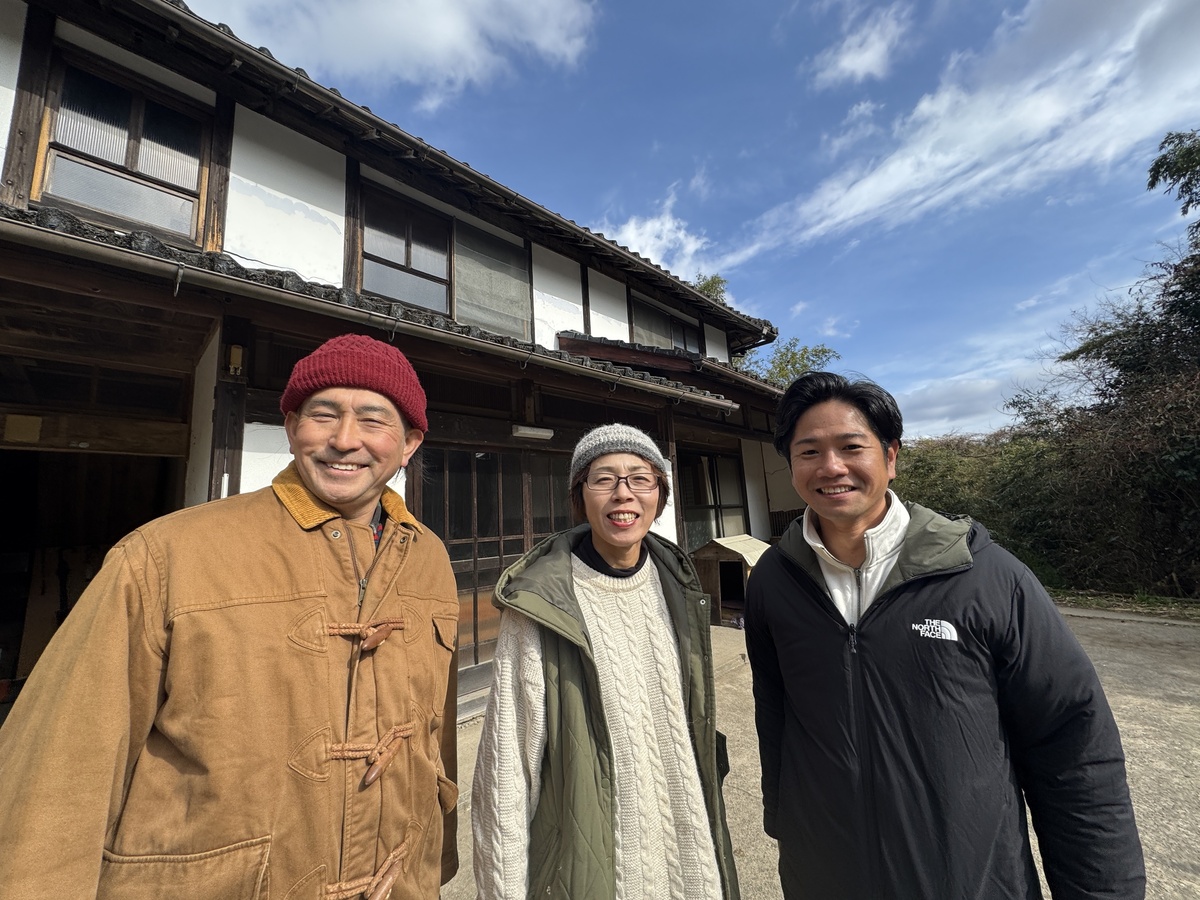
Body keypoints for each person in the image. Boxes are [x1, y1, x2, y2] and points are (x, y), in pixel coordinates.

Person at [0, 334, 460, 900]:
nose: (345, 441)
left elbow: (433, 732)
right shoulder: (165, 553)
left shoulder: (430, 556)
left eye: (373, 420)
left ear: (410, 442)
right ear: (291, 427)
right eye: (323, 415)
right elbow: (62, 763)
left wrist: (437, 857)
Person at [744, 371, 1145, 899]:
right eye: (809, 451)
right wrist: (787, 824)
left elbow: (1071, 740)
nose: (832, 467)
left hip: (968, 877)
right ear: (791, 464)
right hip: (822, 871)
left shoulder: (984, 575)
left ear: (890, 457)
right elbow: (776, 715)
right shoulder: (775, 578)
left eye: (851, 447)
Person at [472, 424, 739, 900]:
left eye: (641, 479)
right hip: (592, 872)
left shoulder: (680, 588)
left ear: (659, 494)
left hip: (693, 858)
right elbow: (507, 770)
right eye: (603, 479)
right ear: (580, 495)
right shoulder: (540, 605)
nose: (623, 495)